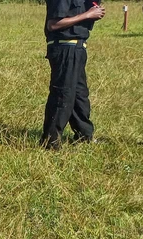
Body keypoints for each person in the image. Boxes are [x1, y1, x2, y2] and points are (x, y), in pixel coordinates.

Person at [41, 0, 105, 150]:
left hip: (77, 47)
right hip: (64, 47)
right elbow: (54, 24)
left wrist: (93, 13)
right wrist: (87, 15)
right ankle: (50, 141)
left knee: (79, 95)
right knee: (63, 94)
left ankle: (84, 136)